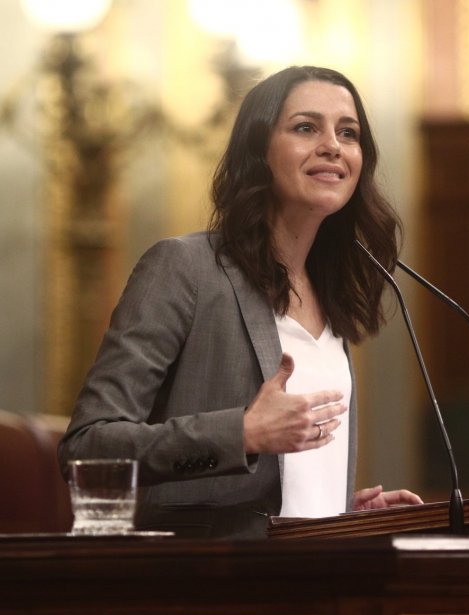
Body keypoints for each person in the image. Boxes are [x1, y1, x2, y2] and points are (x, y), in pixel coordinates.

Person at [58, 65, 422, 538]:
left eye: (348, 132)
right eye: (306, 127)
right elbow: (87, 447)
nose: (333, 145)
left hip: (317, 573)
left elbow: (276, 491)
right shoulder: (185, 268)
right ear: (258, 150)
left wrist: (336, 511)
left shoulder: (329, 295)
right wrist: (242, 434)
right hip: (212, 576)